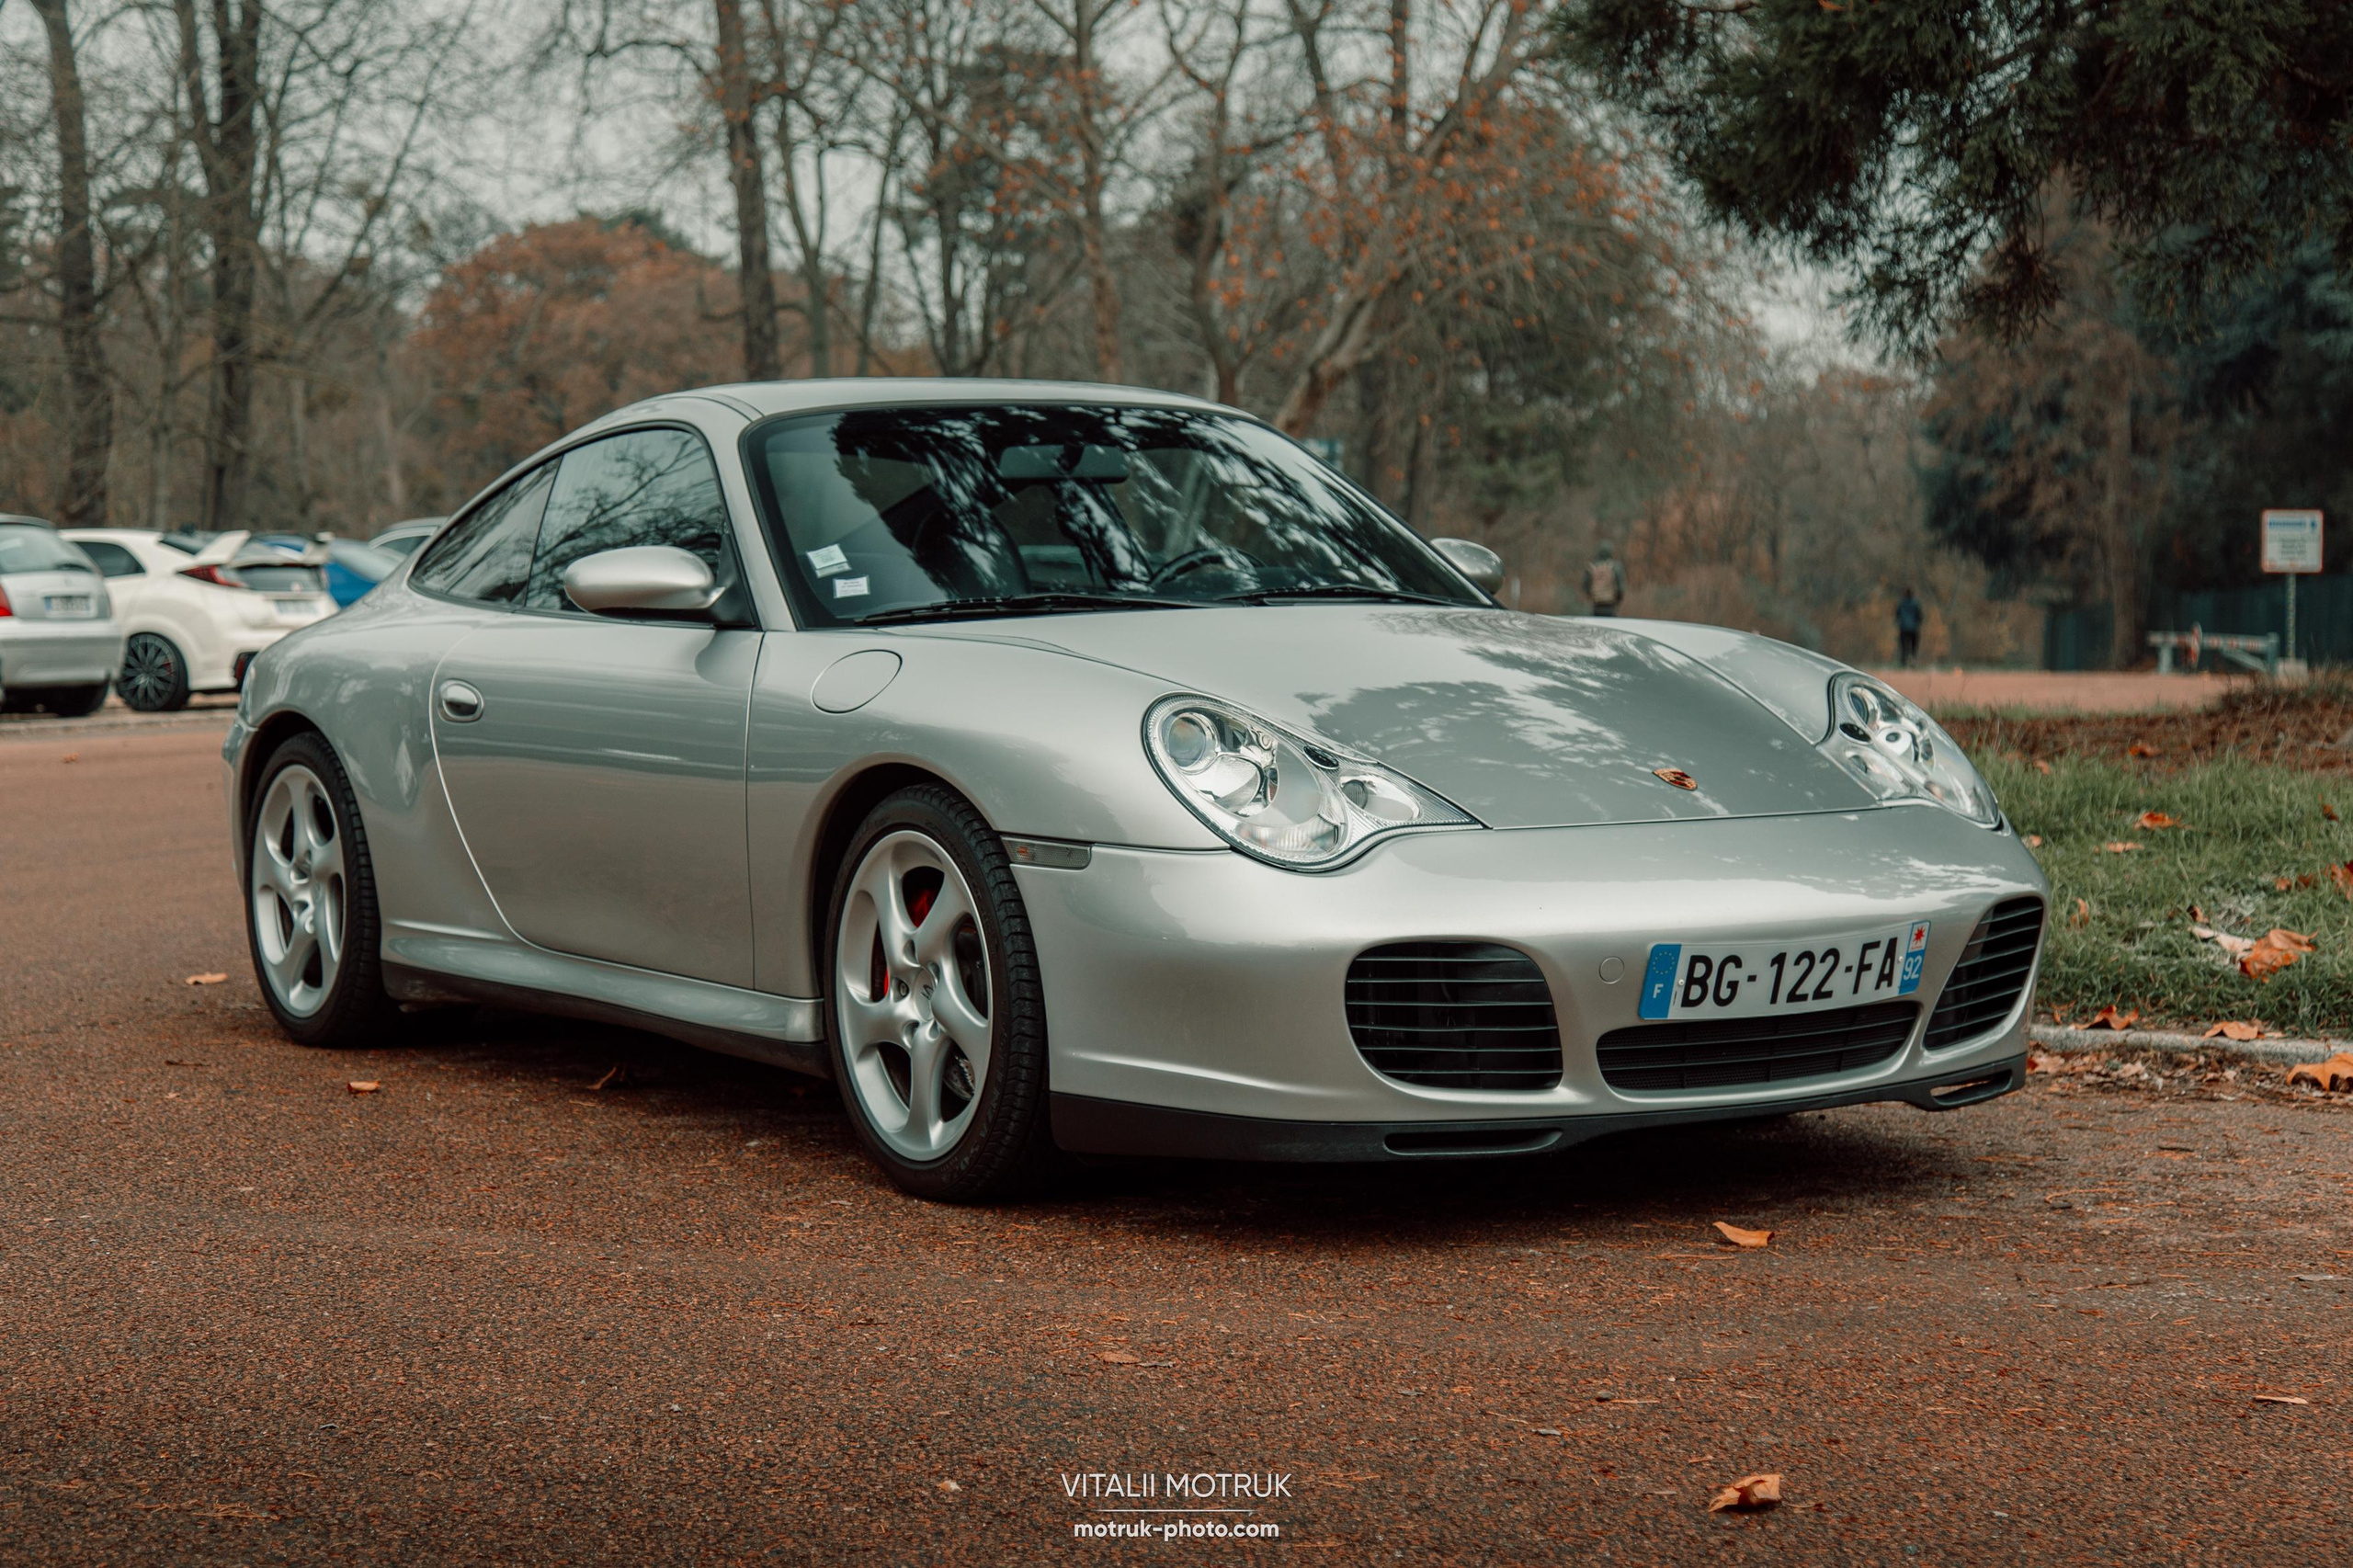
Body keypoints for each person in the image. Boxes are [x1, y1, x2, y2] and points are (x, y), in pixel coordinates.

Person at [1584, 541, 1626, 617]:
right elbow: (1620, 589)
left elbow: (1586, 587)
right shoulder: (1616, 567)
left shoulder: (1591, 567)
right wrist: (1617, 600)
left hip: (1595, 606)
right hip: (1611, 606)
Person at [1895, 586, 1924, 666]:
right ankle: (1913, 661)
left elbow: (1897, 614)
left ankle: (1903, 662)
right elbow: (1920, 616)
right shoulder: (1916, 604)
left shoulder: (1901, 603)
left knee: (1904, 646)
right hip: (1914, 628)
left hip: (1903, 628)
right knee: (1914, 647)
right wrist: (1918, 623)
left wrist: (1900, 622)